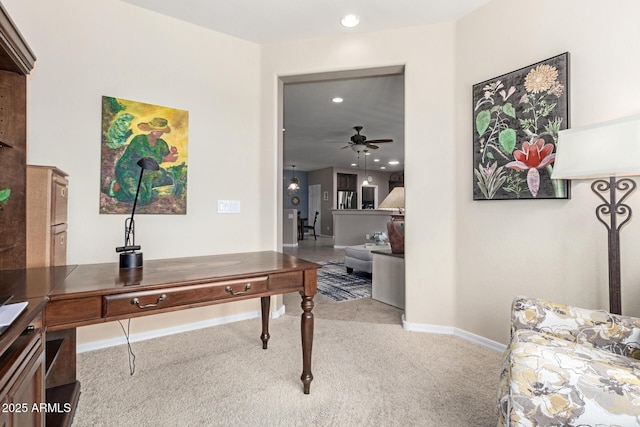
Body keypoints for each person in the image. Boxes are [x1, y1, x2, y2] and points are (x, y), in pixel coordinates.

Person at [112, 117, 178, 205]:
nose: (158, 132)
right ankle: (119, 190)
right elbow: (146, 155)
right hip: (128, 170)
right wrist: (165, 159)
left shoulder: (161, 143)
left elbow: (167, 155)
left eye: (161, 130)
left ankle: (136, 189)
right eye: (156, 130)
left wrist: (173, 154)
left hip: (145, 171)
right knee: (141, 200)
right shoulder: (139, 140)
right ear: (150, 129)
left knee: (165, 178)